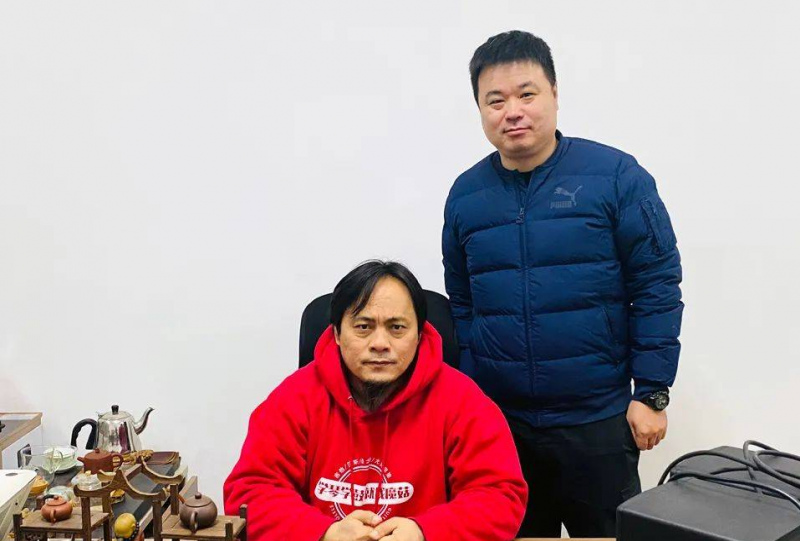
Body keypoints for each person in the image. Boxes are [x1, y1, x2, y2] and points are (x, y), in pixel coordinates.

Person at [442, 30, 683, 537]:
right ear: (480, 109)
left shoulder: (616, 176)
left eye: (526, 94)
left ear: (554, 93)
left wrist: (652, 391)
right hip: (502, 428)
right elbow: (462, 303)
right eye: (496, 100)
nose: (513, 111)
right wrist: (471, 397)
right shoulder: (465, 196)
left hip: (597, 421)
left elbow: (657, 285)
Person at [224, 260, 527, 541]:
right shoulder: (295, 398)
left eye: (397, 328)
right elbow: (250, 492)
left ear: (419, 335)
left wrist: (425, 531)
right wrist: (323, 532)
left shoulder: (463, 401)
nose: (380, 344)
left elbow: (500, 497)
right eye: (363, 327)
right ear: (337, 333)